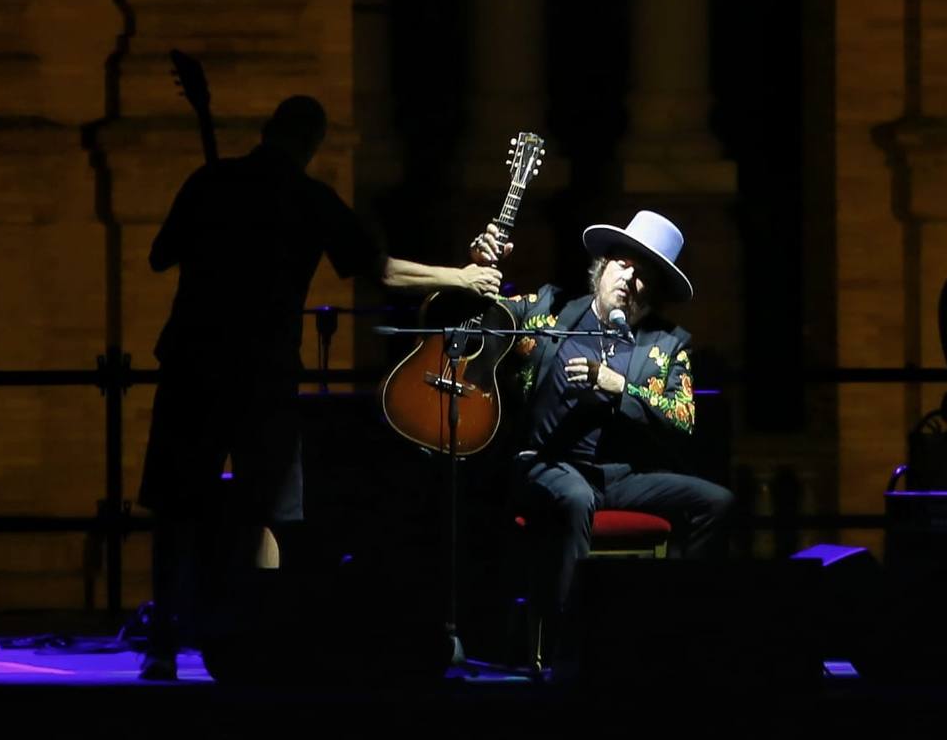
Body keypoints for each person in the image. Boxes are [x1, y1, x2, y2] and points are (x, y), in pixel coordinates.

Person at [138, 95, 501, 680]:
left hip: (194, 364)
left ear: (265, 129)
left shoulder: (211, 182)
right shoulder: (308, 200)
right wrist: (459, 276)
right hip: (263, 373)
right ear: (311, 145)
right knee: (268, 507)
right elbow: (379, 268)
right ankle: (262, 631)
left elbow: (160, 256)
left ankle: (161, 646)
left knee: (176, 504)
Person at [471, 210, 734, 668]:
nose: (631, 279)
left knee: (717, 501)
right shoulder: (550, 311)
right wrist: (476, 270)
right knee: (574, 498)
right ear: (603, 266)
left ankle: (679, 630)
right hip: (543, 463)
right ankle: (564, 648)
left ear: (654, 293)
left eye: (645, 275)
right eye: (625, 264)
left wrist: (621, 388)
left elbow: (682, 422)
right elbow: (482, 322)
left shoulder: (668, 346)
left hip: (616, 476)